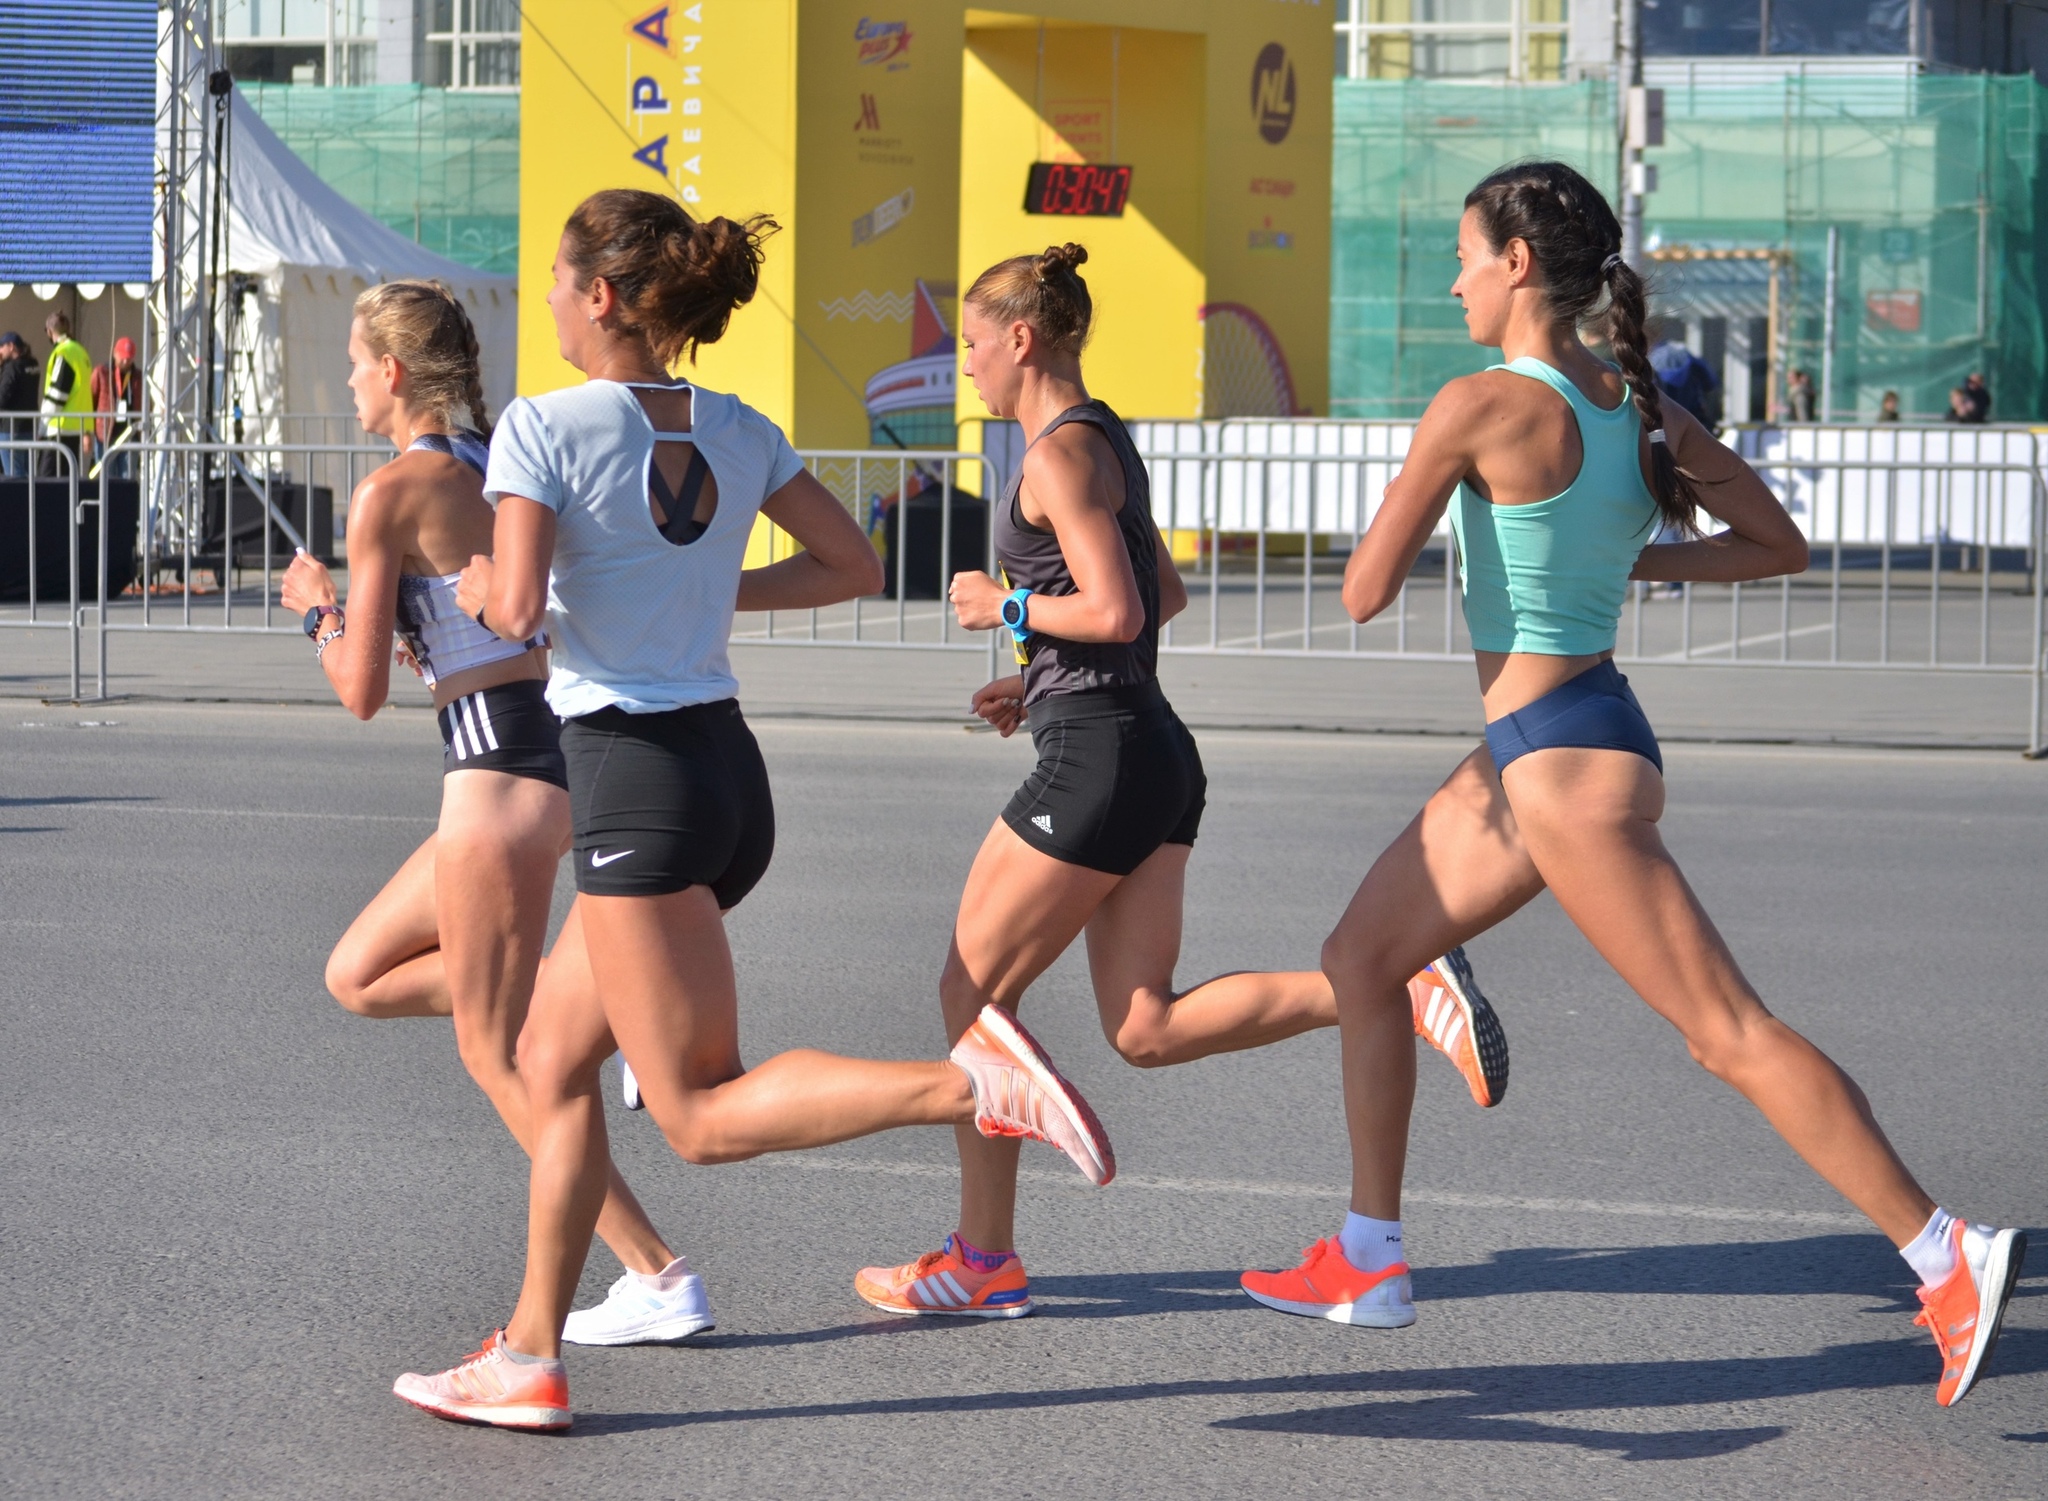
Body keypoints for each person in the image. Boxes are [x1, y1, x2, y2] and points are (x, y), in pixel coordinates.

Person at [1239, 161, 2025, 1410]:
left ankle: (1946, 1253)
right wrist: (1636, 555)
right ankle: (1368, 1254)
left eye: (1459, 253)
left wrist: (1445, 491)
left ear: (1511, 263)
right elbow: (1779, 547)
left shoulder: (1479, 403)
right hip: (1550, 741)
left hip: (1559, 766)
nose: (1450, 276)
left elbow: (1360, 589)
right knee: (1359, 956)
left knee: (1726, 1033)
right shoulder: (1633, 405)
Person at [391, 189, 1121, 1433]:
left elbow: (511, 610)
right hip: (722, 773)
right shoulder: (736, 424)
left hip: (634, 776)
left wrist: (473, 580)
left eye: (561, 285)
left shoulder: (541, 427)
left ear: (604, 296)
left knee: (698, 1113)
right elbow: (854, 564)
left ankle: (970, 1086)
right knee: (551, 1058)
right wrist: (704, 597)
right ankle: (527, 1350)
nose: (553, 307)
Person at [853, 244, 1513, 1322]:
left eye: (972, 344)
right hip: (1142, 745)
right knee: (1144, 1026)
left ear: (1020, 340)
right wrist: (1039, 683)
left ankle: (980, 1259)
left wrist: (1006, 613)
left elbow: (1117, 609)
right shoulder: (1101, 437)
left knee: (970, 993)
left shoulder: (1054, 460)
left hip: (1103, 759)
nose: (964, 364)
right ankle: (1401, 986)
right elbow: (1160, 592)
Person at [279, 280, 714, 1356]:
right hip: (549, 759)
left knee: (499, 1053)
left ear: (391, 372)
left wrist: (317, 608)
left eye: (351, 360)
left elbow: (360, 686)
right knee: (357, 974)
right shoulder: (501, 470)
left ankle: (656, 1271)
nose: (346, 380)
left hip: (491, 780)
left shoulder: (387, 494)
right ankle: (586, 999)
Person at [39, 310, 92, 477]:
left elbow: (58, 393)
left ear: (49, 331)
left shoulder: (64, 353)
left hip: (59, 428)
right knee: (67, 487)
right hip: (77, 426)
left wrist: (42, 426)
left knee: (45, 484)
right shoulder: (81, 352)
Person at [1646, 319, 1720, 431]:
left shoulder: (1649, 360)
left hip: (1664, 421)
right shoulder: (1682, 352)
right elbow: (1710, 381)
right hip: (1693, 419)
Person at [91, 336, 142, 478]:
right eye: (123, 357)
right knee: (106, 477)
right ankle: (107, 501)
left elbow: (144, 403)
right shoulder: (101, 372)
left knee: (127, 476)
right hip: (106, 434)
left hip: (129, 434)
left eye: (130, 358)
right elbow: (92, 400)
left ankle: (124, 501)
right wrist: (92, 428)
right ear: (114, 354)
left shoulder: (138, 376)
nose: (126, 361)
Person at [0, 332, 37, 478]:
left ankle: (18, 502)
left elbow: (2, 398)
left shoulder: (12, 368)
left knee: (14, 476)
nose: (0, 351)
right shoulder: (33, 364)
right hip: (28, 427)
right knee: (28, 474)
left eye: (2, 347)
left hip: (10, 429)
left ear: (11, 346)